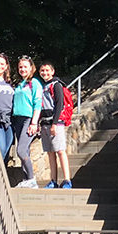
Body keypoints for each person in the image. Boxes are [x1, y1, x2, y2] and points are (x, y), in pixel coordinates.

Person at [38, 60, 72, 189]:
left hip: (55, 122)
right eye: (42, 70)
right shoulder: (42, 86)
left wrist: (55, 123)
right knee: (50, 152)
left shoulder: (56, 85)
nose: (45, 73)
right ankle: (53, 180)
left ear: (52, 71)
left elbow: (59, 104)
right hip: (45, 122)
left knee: (60, 150)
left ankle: (67, 179)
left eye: (47, 70)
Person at [12, 55, 43, 188]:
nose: (23, 69)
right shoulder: (19, 84)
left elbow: (38, 103)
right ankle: (26, 179)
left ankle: (31, 179)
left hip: (28, 119)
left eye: (25, 66)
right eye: (20, 67)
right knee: (25, 151)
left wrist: (34, 123)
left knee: (21, 150)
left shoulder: (34, 83)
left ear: (31, 68)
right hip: (17, 119)